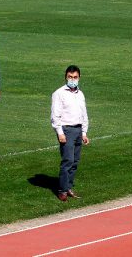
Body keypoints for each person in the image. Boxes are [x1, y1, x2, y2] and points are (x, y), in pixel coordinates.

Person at [51, 65, 90, 202]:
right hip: (66, 130)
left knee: (75, 161)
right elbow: (55, 116)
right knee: (67, 160)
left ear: (79, 78)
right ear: (65, 77)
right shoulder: (59, 93)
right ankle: (62, 190)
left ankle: (68, 187)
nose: (72, 79)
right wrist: (60, 133)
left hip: (78, 130)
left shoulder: (80, 94)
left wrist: (84, 132)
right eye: (70, 77)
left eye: (75, 77)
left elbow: (84, 114)